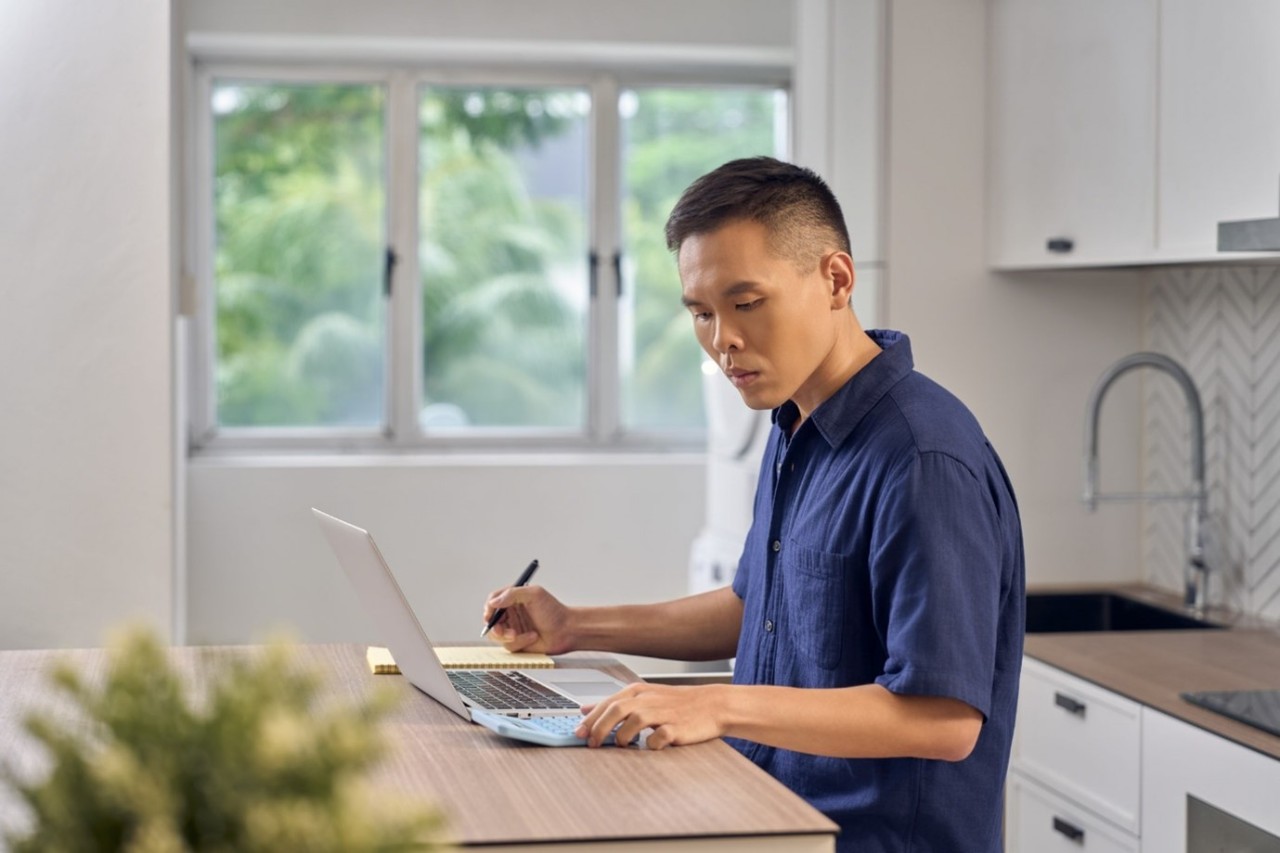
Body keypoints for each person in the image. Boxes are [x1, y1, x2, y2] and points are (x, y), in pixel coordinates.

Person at [481, 156, 1025, 853]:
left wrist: (714, 703)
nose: (722, 341)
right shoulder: (795, 420)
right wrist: (574, 627)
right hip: (765, 813)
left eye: (746, 303)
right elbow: (759, 608)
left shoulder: (922, 457)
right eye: (702, 313)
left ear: (836, 279)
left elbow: (943, 718)